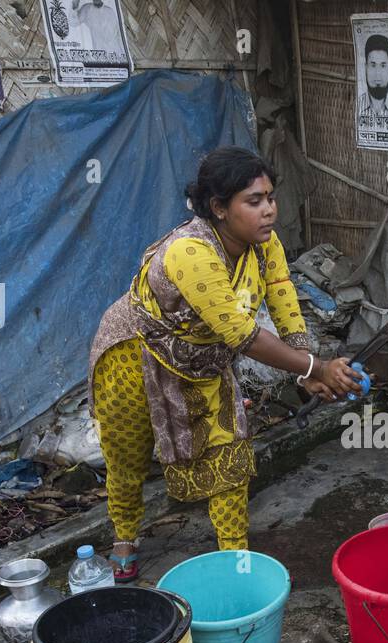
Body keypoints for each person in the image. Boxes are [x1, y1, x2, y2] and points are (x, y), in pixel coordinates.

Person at [89, 147, 363, 581]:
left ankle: (235, 558)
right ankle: (124, 537)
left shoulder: (263, 244)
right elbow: (242, 334)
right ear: (218, 208)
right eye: (253, 201)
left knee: (230, 455)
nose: (269, 210)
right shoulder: (190, 253)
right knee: (128, 456)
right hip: (134, 355)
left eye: (270, 197)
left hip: (202, 361)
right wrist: (314, 368)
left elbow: (282, 295)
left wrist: (308, 367)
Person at [357, 32, 388, 117]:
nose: (378, 74)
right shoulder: (357, 105)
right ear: (365, 68)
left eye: (383, 66)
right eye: (373, 65)